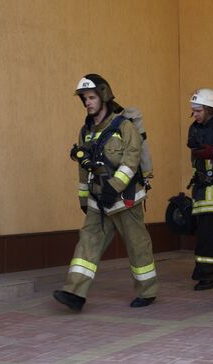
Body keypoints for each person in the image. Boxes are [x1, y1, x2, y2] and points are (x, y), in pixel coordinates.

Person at [53, 74, 158, 311]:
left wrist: (114, 188)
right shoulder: (86, 131)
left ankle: (147, 291)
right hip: (98, 201)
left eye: (91, 97)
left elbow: (131, 162)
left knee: (137, 246)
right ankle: (74, 293)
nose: (87, 102)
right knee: (86, 245)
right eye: (84, 99)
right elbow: (83, 168)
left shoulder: (124, 126)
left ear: (104, 96)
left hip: (126, 201)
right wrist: (83, 198)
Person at [186, 88, 213, 290]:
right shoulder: (194, 128)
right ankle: (204, 272)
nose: (195, 115)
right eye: (193, 111)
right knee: (205, 234)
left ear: (210, 110)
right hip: (202, 189)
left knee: (212, 235)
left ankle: (208, 275)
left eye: (198, 110)